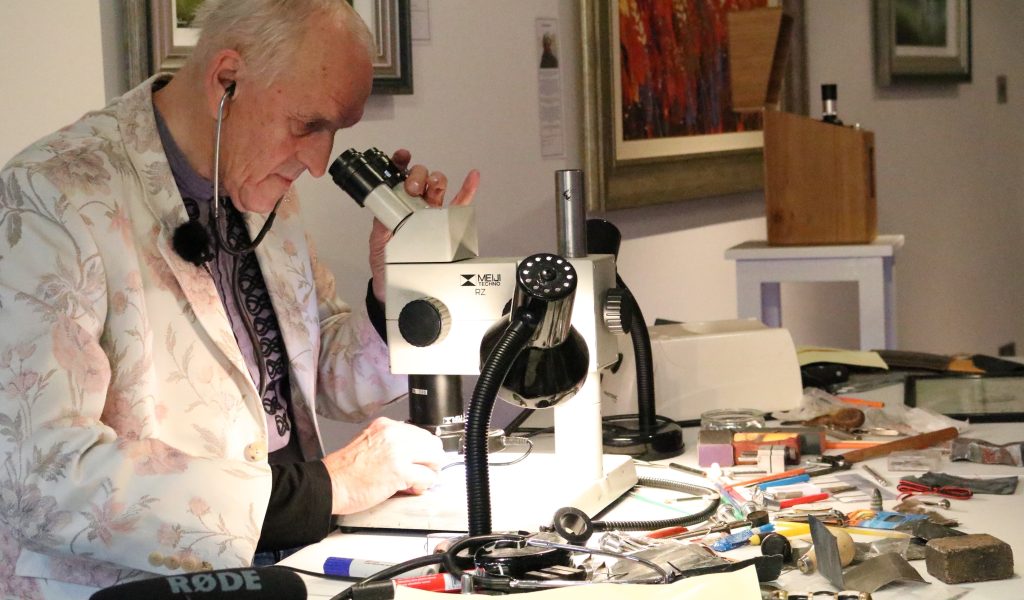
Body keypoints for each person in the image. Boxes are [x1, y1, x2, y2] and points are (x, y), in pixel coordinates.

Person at [0, 0, 479, 597]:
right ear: (227, 80)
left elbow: (318, 376)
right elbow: (40, 474)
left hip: (287, 568)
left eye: (336, 133)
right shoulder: (52, 194)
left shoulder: (256, 183)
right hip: (131, 585)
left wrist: (396, 290)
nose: (318, 162)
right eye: (309, 125)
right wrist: (325, 489)